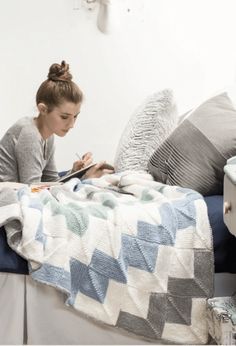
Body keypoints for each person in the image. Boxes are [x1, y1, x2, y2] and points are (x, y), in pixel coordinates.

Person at [0, 61, 113, 184]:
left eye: (75, 116)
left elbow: (50, 181)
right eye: (64, 117)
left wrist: (75, 173)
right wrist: (85, 180)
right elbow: (32, 190)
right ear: (43, 109)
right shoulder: (29, 134)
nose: (72, 125)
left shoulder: (48, 136)